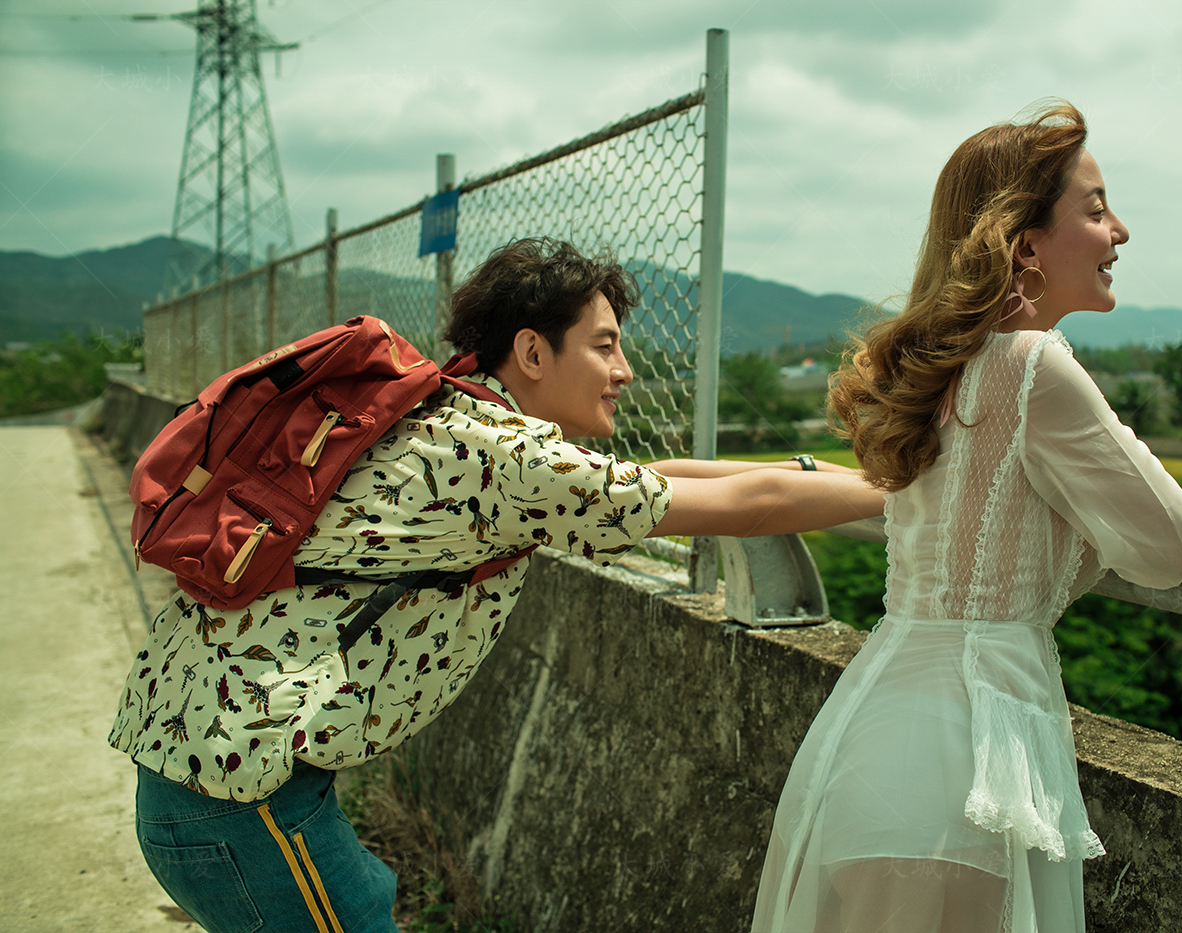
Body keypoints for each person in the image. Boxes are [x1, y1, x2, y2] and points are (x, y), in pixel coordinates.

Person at [110, 237, 884, 933]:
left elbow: (648, 478)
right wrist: (903, 487)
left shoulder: (457, 420)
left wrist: (808, 469)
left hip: (213, 771)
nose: (625, 370)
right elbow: (749, 506)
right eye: (605, 346)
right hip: (239, 798)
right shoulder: (501, 457)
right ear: (533, 351)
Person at [750, 102, 1182, 933]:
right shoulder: (1032, 364)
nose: (1119, 231)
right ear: (1026, 245)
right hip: (966, 770)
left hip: (879, 736)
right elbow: (1180, 546)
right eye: (1096, 209)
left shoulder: (945, 370)